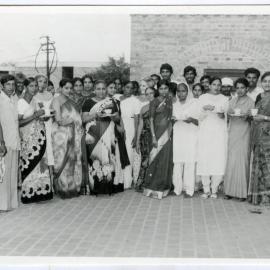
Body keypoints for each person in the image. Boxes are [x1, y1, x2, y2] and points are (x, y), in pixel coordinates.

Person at [82, 80, 123, 195]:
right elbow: (84, 119)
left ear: (106, 90)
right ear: (94, 90)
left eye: (103, 88)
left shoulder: (111, 102)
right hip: (93, 136)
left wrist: (113, 116)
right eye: (98, 89)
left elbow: (117, 119)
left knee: (109, 159)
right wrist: (96, 114)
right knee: (94, 160)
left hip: (108, 135)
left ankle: (108, 187)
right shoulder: (88, 102)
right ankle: (94, 187)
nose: (101, 91)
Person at [18, 77, 53, 203]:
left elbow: (38, 116)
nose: (34, 88)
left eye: (35, 86)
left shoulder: (35, 100)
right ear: (26, 87)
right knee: (30, 165)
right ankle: (29, 193)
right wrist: (35, 116)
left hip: (40, 136)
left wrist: (43, 118)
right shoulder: (21, 102)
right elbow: (19, 122)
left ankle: (41, 192)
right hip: (28, 140)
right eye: (31, 86)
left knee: (41, 164)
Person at [196, 77, 229, 199]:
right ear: (209, 85)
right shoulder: (202, 98)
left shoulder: (225, 99)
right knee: (205, 159)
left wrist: (220, 114)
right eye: (214, 84)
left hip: (219, 133)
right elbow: (198, 116)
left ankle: (214, 189)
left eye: (219, 85)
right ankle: (206, 189)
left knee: (218, 159)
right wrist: (204, 109)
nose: (216, 87)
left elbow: (225, 115)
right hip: (205, 132)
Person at [51, 79, 82, 198]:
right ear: (60, 88)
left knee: (72, 160)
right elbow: (58, 120)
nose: (69, 90)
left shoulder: (72, 100)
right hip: (61, 135)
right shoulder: (56, 100)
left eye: (70, 88)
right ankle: (62, 188)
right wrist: (70, 120)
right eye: (66, 88)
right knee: (62, 161)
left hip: (74, 134)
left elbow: (78, 117)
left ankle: (72, 187)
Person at [223, 78, 254, 201]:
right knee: (231, 161)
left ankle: (241, 193)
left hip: (244, 133)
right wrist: (229, 114)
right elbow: (228, 116)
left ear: (247, 88)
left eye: (242, 87)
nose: (240, 90)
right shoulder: (232, 100)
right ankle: (229, 192)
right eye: (238, 88)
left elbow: (252, 117)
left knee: (242, 161)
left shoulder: (251, 101)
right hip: (232, 133)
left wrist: (248, 116)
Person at [143, 80, 173, 199]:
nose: (164, 91)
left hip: (167, 135)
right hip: (156, 135)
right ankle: (151, 187)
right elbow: (150, 120)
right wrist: (154, 137)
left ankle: (162, 188)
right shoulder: (154, 101)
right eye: (161, 88)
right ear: (157, 89)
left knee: (164, 161)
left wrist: (169, 134)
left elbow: (170, 119)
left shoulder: (170, 101)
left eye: (166, 88)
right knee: (154, 160)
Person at [172, 83, 199, 198]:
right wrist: (172, 119)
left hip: (190, 135)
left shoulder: (194, 103)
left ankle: (189, 190)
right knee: (177, 162)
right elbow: (172, 118)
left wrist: (192, 119)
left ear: (187, 92)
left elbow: (199, 121)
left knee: (189, 162)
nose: (180, 93)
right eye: (178, 91)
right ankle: (177, 188)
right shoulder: (174, 104)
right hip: (178, 134)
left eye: (183, 91)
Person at [248, 72, 270, 205]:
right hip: (259, 135)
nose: (268, 83)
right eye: (265, 81)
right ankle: (260, 197)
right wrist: (254, 117)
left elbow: (263, 116)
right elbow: (256, 113)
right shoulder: (259, 96)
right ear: (262, 83)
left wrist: (265, 118)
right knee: (259, 165)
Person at [0, 75, 20, 211]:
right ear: (2, 85)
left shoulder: (13, 99)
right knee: (3, 174)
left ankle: (11, 204)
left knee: (12, 172)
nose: (11, 87)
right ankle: (2, 204)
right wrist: (0, 141)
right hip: (4, 141)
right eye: (8, 84)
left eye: (13, 84)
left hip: (14, 140)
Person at [120, 81, 141, 189]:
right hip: (118, 126)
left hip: (130, 127)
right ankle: (119, 179)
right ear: (123, 87)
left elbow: (137, 119)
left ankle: (127, 181)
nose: (129, 89)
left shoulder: (135, 101)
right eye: (127, 87)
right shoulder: (117, 98)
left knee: (128, 154)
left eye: (131, 88)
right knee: (119, 153)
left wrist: (136, 135)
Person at [34, 75, 55, 184]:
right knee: (42, 151)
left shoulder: (50, 94)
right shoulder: (33, 95)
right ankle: (41, 180)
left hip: (49, 124)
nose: (42, 84)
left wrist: (51, 115)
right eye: (40, 81)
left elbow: (51, 109)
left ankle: (51, 180)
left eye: (44, 82)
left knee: (50, 150)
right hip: (38, 125)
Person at [135, 87, 156, 191]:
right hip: (145, 137)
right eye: (147, 94)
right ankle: (141, 183)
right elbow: (140, 125)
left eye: (151, 93)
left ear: (155, 93)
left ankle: (153, 183)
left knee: (155, 160)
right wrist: (137, 141)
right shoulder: (143, 108)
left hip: (156, 136)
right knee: (145, 161)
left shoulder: (160, 106)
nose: (149, 95)